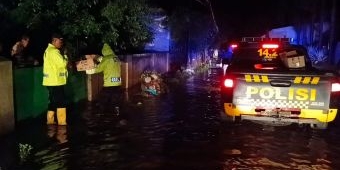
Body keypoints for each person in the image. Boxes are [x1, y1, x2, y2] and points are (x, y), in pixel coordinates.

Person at [92, 43, 124, 121]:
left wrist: (93, 66)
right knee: (116, 98)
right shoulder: (116, 57)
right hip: (118, 82)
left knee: (103, 98)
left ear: (104, 51)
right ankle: (117, 112)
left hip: (109, 83)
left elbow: (98, 69)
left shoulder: (106, 59)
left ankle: (101, 113)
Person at [42, 33, 68, 125]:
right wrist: (65, 56)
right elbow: (63, 64)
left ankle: (50, 121)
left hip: (50, 82)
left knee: (53, 102)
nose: (61, 43)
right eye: (59, 41)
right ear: (54, 41)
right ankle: (62, 123)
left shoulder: (48, 50)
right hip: (56, 82)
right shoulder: (54, 51)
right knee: (61, 102)